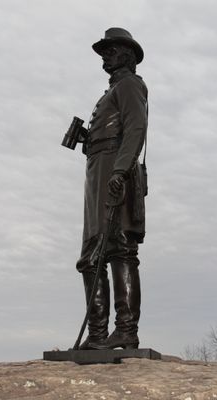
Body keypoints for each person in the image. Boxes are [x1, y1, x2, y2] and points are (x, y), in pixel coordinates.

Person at [76, 27, 148, 350]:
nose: (105, 55)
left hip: (115, 171)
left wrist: (119, 170)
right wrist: (87, 141)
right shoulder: (111, 91)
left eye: (111, 49)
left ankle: (126, 330)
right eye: (104, 50)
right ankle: (97, 334)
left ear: (127, 55)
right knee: (91, 256)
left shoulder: (130, 85)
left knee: (120, 249)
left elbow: (136, 128)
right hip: (98, 170)